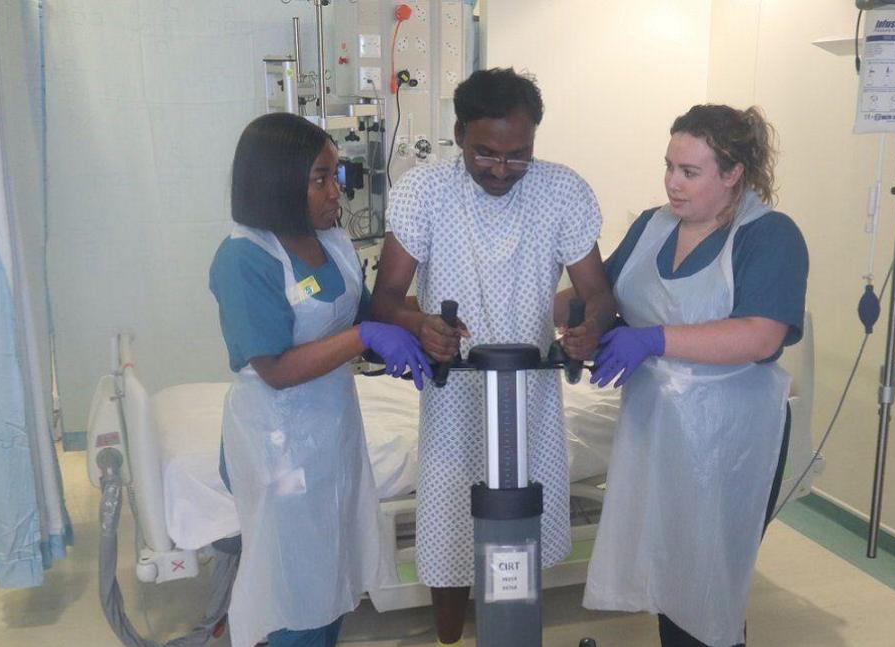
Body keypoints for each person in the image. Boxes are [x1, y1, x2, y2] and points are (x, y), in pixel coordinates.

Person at [370, 67, 616, 645]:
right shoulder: (423, 192)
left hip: (528, 393)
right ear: (459, 134)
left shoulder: (563, 191)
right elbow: (383, 300)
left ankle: (513, 629)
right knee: (451, 518)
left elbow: (597, 292)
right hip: (455, 391)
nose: (502, 168)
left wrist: (588, 328)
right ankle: (451, 638)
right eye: (486, 153)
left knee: (524, 523)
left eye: (518, 155)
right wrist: (422, 323)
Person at [581, 104, 808, 647]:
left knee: (708, 587)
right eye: (669, 167)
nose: (672, 184)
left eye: (689, 172)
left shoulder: (769, 236)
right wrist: (564, 318)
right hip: (657, 427)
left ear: (733, 174)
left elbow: (760, 336)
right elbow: (605, 295)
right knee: (668, 573)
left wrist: (655, 338)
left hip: (727, 434)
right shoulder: (653, 225)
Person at [209, 113, 432, 647]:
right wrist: (367, 340)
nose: (338, 191)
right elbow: (276, 368)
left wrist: (424, 324)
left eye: (337, 175)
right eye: (321, 178)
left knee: (333, 574)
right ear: (278, 180)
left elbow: (361, 313)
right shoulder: (245, 258)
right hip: (279, 443)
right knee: (294, 586)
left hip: (331, 430)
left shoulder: (330, 241)